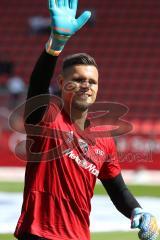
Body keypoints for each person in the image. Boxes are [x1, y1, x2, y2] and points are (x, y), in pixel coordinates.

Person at [14, 0, 159, 240]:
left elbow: (118, 189)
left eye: (92, 82)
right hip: (38, 235)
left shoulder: (104, 140)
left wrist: (137, 209)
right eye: (79, 79)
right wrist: (55, 45)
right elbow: (38, 86)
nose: (86, 86)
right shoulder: (47, 117)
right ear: (61, 83)